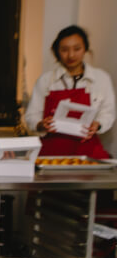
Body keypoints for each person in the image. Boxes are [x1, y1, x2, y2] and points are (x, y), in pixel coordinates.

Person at [25, 25, 114, 158]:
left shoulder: (101, 78)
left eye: (77, 49)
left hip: (88, 151)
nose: (71, 55)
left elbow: (108, 113)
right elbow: (31, 116)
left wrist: (98, 125)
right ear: (57, 51)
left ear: (85, 49)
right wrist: (41, 124)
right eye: (64, 50)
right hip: (51, 153)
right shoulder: (46, 80)